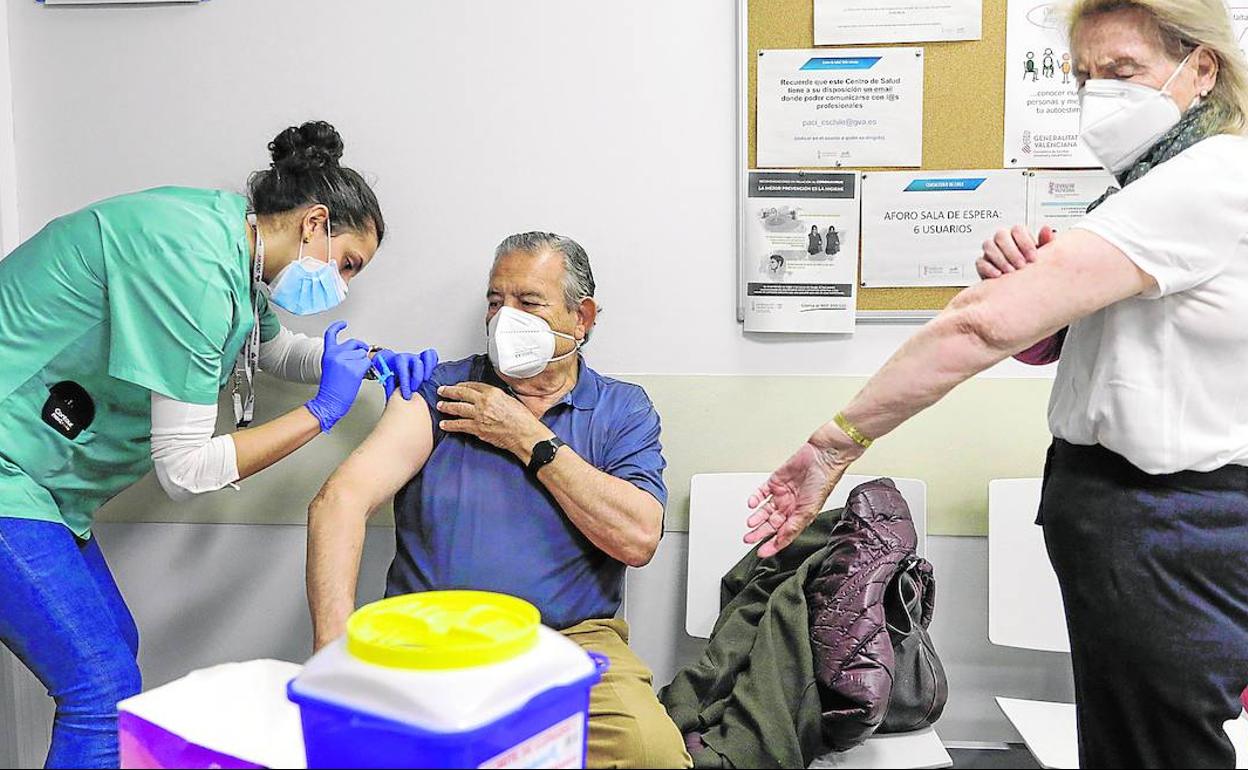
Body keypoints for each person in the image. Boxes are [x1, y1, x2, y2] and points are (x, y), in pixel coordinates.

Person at [747, 1, 1248, 766]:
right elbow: (1099, 345)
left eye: (1122, 72)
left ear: (1201, 67)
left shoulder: (1207, 178)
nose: (1098, 96)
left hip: (1166, 521)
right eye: (1084, 78)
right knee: (1130, 740)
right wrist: (1040, 307)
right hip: (1127, 514)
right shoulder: (1146, 184)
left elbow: (976, 327)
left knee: (1155, 749)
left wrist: (832, 445)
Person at [0, 120, 435, 769]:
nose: (341, 283)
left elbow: (270, 347)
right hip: (10, 468)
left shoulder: (231, 244)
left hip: (42, 482)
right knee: (100, 687)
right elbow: (185, 470)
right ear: (314, 222)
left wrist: (368, 361)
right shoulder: (195, 266)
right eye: (347, 263)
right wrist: (321, 413)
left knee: (115, 645)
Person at [306, 232, 693, 769]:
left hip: (569, 642)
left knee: (649, 752)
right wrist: (332, 655)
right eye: (495, 302)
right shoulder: (441, 392)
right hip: (429, 638)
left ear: (581, 319)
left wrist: (527, 438)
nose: (503, 319)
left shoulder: (621, 409)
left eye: (528, 303)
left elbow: (638, 538)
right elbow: (339, 501)